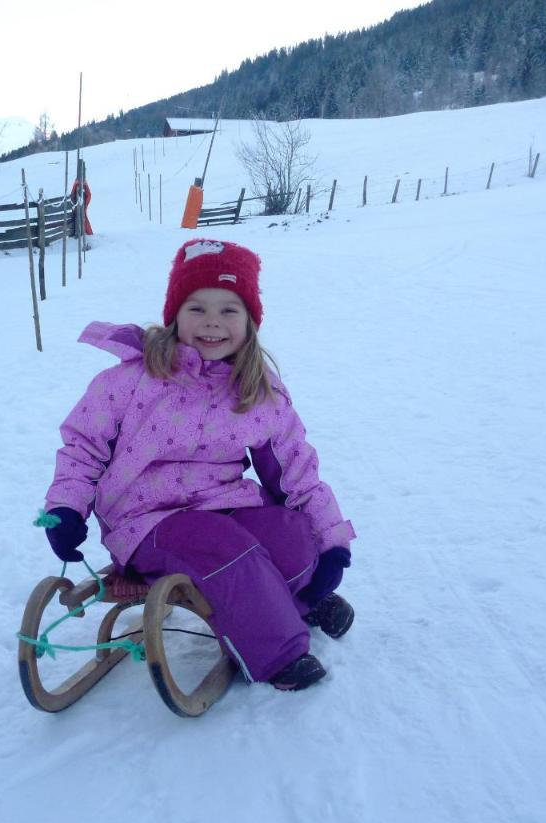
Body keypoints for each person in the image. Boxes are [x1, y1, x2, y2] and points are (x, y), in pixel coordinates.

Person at [42, 238, 356, 691]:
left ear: (250, 321)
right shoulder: (129, 380)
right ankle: (277, 654)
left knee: (292, 538)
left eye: (229, 310)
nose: (212, 322)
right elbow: (83, 447)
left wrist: (331, 543)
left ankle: (296, 602)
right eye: (197, 308)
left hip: (225, 507)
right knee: (224, 548)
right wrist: (67, 509)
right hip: (146, 522)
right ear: (174, 315)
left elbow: (294, 470)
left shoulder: (258, 390)